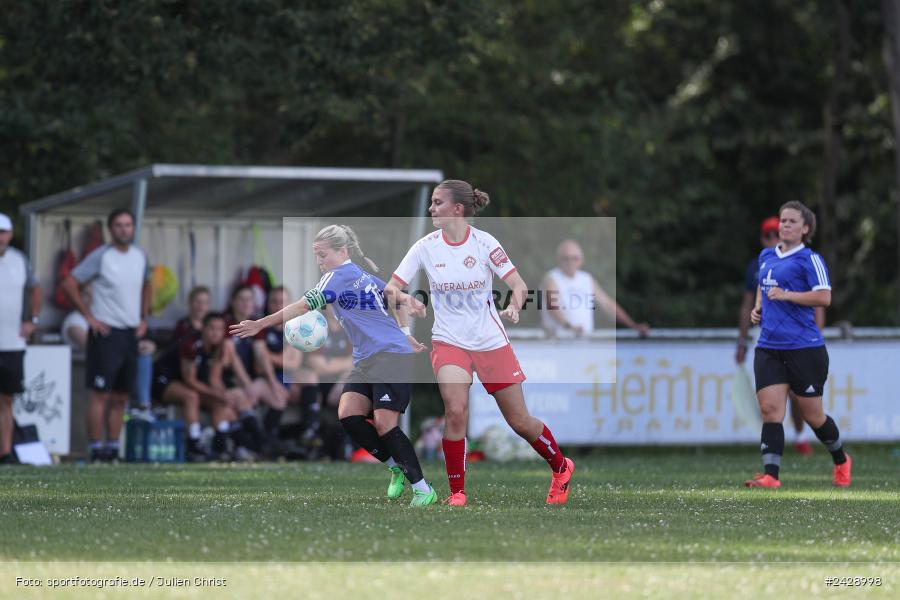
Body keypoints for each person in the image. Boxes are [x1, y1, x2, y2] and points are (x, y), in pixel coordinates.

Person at [384, 180, 575, 506]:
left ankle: (560, 466)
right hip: (448, 342)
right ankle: (457, 493)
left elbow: (518, 285)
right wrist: (407, 299)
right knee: (455, 412)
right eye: (431, 203)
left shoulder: (485, 244)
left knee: (519, 421)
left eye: (437, 203)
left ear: (457, 209)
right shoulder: (425, 247)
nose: (432, 209)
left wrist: (513, 306)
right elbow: (391, 289)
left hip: (490, 342)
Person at [230, 224, 438, 507]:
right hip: (367, 359)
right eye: (316, 256)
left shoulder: (336, 277)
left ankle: (423, 489)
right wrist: (407, 312)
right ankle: (395, 466)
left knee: (385, 425)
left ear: (342, 252)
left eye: (322, 255)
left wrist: (260, 323)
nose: (319, 262)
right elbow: (394, 296)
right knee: (349, 415)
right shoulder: (358, 275)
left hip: (390, 356)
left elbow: (303, 306)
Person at [745, 201, 851, 488]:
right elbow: (763, 286)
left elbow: (824, 297)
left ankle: (841, 459)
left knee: (812, 415)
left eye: (792, 221)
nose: (785, 225)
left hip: (804, 347)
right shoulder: (767, 255)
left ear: (805, 229)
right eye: (782, 221)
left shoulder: (810, 259)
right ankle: (771, 476)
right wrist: (758, 307)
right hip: (769, 346)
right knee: (770, 410)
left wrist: (788, 295)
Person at [62, 208, 150, 463]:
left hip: (129, 333)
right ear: (111, 229)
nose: (124, 229)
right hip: (106, 332)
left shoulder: (140, 256)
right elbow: (70, 283)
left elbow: (147, 284)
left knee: (122, 394)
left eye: (128, 225)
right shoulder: (101, 256)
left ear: (133, 228)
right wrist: (89, 316)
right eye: (119, 225)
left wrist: (143, 317)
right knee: (100, 393)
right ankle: (94, 448)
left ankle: (112, 448)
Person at [737, 217, 823, 456]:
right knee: (768, 401)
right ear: (762, 238)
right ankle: (772, 461)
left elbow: (819, 298)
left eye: (776, 233)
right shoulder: (758, 264)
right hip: (766, 338)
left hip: (798, 339)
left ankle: (802, 436)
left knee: (801, 399)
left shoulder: (803, 260)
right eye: (768, 235)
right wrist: (742, 339)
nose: (773, 239)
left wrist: (816, 334)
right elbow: (748, 305)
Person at [541, 239, 649, 338]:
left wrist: (632, 325)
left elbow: (607, 304)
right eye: (566, 258)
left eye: (575, 258)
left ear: (581, 260)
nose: (570, 262)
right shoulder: (551, 278)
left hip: (584, 340)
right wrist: (569, 328)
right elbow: (552, 307)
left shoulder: (586, 279)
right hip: (558, 342)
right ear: (558, 259)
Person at [0, 213, 41, 465]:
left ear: (10, 234)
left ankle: (4, 452)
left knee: (6, 399)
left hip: (12, 343)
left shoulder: (20, 260)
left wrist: (32, 319)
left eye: (3, 232)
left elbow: (35, 289)